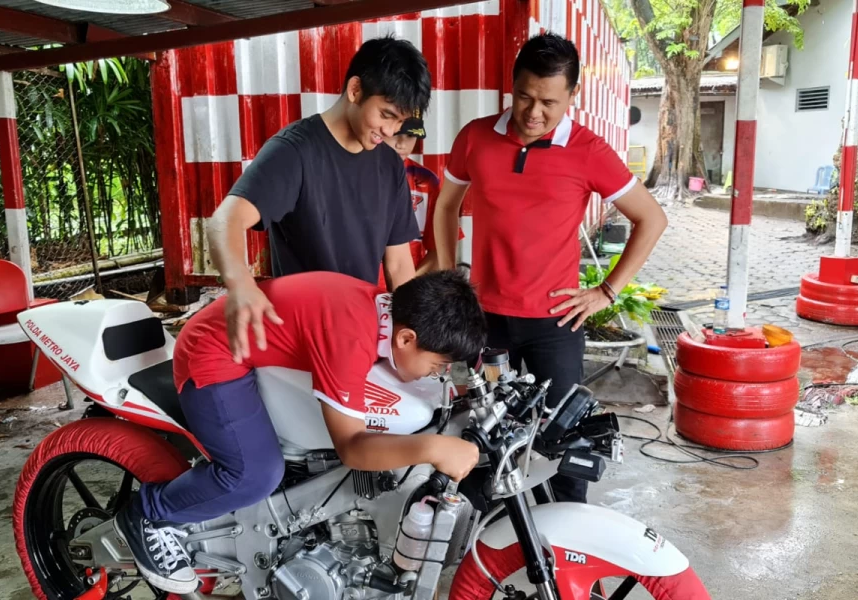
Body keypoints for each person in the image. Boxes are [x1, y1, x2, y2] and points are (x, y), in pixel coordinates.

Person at [113, 270, 486, 593]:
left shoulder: (390, 310)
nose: (435, 375)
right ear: (406, 339)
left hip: (253, 343)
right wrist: (434, 448)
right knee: (254, 474)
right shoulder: (350, 336)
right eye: (438, 365)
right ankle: (149, 513)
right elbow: (353, 449)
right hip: (214, 353)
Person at [432, 33, 668, 504]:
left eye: (549, 102)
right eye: (524, 96)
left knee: (564, 440)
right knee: (481, 435)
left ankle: (565, 544)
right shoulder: (476, 137)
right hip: (485, 324)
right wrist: (446, 278)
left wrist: (607, 290)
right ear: (512, 86)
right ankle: (491, 544)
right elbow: (445, 207)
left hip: (555, 324)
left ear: (572, 96)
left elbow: (652, 218)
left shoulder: (588, 151)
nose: (533, 112)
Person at [206, 35, 430, 365]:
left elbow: (398, 265)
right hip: (302, 336)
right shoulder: (294, 151)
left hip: (356, 333)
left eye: (400, 122)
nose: (390, 131)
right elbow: (225, 221)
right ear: (355, 90)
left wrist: (415, 333)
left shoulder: (389, 166)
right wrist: (241, 284)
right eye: (385, 115)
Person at [375, 113, 465, 291]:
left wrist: (408, 289)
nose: (402, 144)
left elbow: (439, 249)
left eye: (410, 136)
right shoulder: (353, 176)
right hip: (359, 291)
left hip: (407, 293)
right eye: (396, 134)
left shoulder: (425, 181)